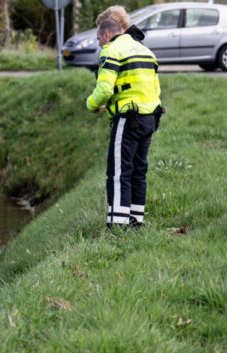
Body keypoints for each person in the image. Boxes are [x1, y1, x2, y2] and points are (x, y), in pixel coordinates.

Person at [85, 18, 163, 229]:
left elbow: (104, 90)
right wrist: (111, 105)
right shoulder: (145, 50)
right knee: (139, 171)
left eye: (99, 39)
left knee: (119, 173)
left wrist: (91, 104)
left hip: (128, 119)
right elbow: (151, 89)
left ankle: (118, 227)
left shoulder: (111, 51)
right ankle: (135, 222)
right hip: (149, 117)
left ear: (107, 35)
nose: (99, 44)